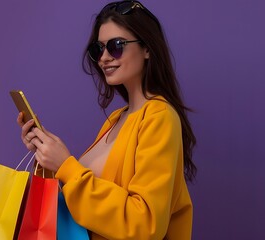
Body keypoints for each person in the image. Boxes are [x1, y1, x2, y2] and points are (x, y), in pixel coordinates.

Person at [17, 1, 196, 239]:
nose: (104, 58)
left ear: (147, 48)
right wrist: (48, 156)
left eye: (117, 46)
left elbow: (145, 224)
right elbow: (90, 207)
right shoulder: (116, 119)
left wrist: (66, 166)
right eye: (98, 49)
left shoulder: (159, 117)